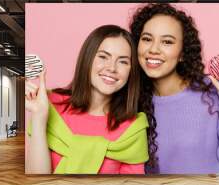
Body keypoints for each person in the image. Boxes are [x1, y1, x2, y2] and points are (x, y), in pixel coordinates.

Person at [129, 3, 219, 174]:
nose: (153, 49)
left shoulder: (212, 93)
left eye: (167, 41)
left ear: (182, 53)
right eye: (146, 39)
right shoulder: (130, 100)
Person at [25, 25, 149, 174]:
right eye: (103, 57)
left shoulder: (133, 127)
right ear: (87, 59)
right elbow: (37, 184)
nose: (112, 68)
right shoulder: (48, 105)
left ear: (131, 71)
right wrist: (39, 117)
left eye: (123, 61)